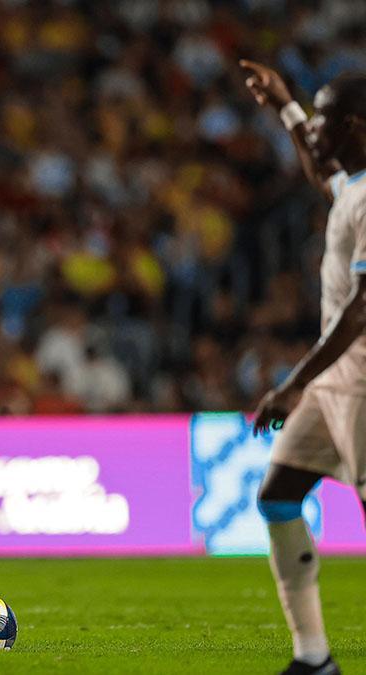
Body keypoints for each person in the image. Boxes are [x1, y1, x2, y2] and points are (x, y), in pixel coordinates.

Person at [243, 59, 366, 675]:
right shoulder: (355, 189)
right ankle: (314, 660)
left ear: (358, 126)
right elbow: (324, 178)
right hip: (338, 381)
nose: (316, 127)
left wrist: (293, 385)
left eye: (326, 117)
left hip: (363, 387)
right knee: (279, 495)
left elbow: (361, 309)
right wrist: (284, 106)